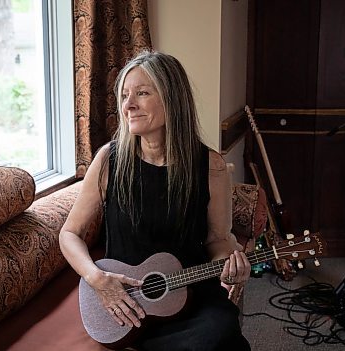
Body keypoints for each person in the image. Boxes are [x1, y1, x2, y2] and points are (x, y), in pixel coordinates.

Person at [59, 50, 251, 351]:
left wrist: (229, 264)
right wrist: (96, 277)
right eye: (124, 95)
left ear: (172, 99)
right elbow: (69, 234)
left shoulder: (210, 165)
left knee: (222, 333)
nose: (128, 105)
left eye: (142, 93)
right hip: (130, 302)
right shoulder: (109, 160)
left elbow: (218, 240)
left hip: (194, 294)